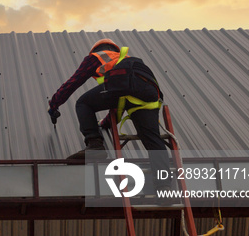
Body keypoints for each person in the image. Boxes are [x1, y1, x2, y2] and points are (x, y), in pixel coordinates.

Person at [47, 39, 171, 189]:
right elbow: (119, 102)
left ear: (95, 50)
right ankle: (165, 189)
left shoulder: (96, 57)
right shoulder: (124, 60)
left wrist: (54, 104)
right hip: (149, 94)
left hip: (125, 88)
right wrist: (105, 123)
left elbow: (73, 82)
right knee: (153, 141)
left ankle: (95, 144)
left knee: (83, 103)